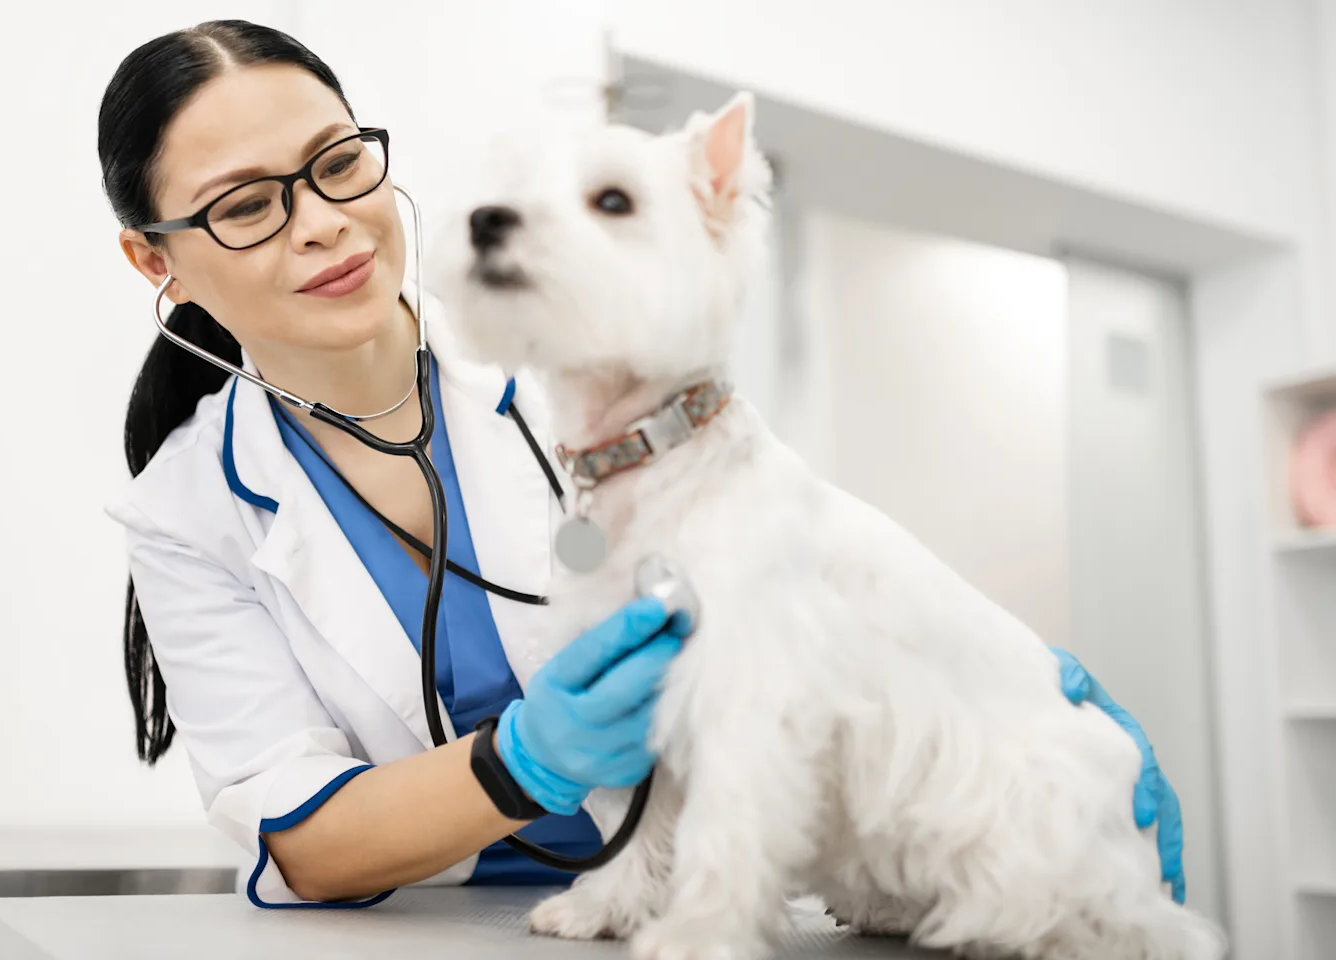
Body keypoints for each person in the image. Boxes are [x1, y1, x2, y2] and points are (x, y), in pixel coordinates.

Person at [97, 19, 1186, 909]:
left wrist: (1026, 707)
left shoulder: (594, 386)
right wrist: (518, 763)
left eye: (338, 165)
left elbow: (821, 608)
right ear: (157, 259)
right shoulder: (184, 513)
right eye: (247, 205)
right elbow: (299, 839)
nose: (325, 224)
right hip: (464, 921)